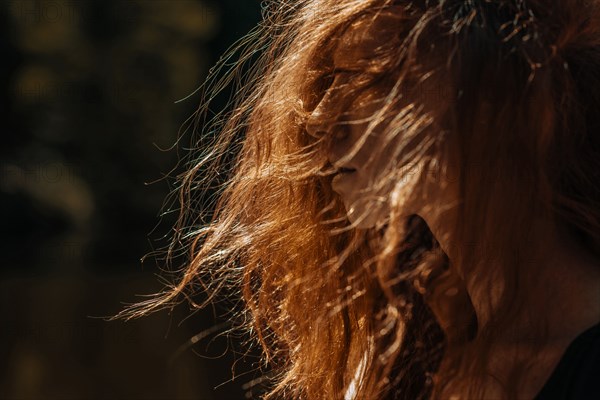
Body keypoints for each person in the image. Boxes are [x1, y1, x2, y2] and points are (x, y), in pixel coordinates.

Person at [115, 0, 600, 399]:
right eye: (330, 82)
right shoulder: (416, 346)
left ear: (506, 99)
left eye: (371, 79)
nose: (320, 114)